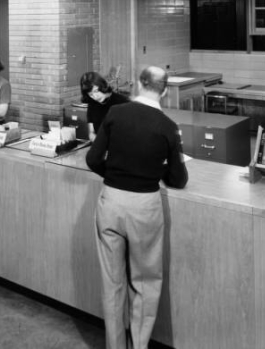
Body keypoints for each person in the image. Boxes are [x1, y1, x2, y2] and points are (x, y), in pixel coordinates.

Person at [85, 66, 188, 349]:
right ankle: (139, 345)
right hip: (144, 208)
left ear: (140, 84)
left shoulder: (116, 114)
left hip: (111, 203)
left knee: (112, 283)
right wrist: (158, 168)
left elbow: (93, 159)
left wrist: (117, 173)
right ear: (165, 91)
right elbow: (179, 179)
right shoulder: (167, 126)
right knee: (145, 283)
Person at [80, 71, 130, 141]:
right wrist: (98, 142)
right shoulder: (92, 104)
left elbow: (130, 132)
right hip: (101, 146)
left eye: (96, 91)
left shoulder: (122, 102)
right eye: (91, 94)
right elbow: (91, 133)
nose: (95, 96)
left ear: (102, 86)